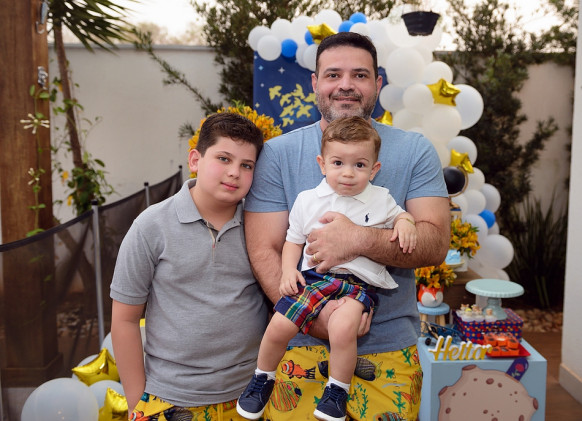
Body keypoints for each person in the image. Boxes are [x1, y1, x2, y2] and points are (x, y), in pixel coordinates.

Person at [244, 32, 450, 421]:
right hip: (298, 346)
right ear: (315, 83)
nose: (346, 85)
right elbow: (264, 248)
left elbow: (435, 242)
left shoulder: (414, 150)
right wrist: (319, 321)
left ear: (378, 83)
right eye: (333, 74)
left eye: (360, 75)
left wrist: (356, 239)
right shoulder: (278, 154)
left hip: (389, 347)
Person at [237, 116, 418, 421]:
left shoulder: (380, 198)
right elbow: (293, 241)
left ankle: (337, 391)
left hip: (356, 285)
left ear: (374, 169)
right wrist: (288, 271)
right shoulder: (308, 200)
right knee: (279, 324)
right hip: (314, 279)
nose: (348, 173)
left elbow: (401, 215)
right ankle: (262, 378)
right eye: (338, 163)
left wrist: (406, 223)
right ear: (322, 164)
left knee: (343, 328)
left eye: (359, 165)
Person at [110, 112, 269, 420]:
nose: (234, 172)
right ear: (195, 159)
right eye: (224, 158)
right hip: (170, 397)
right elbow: (125, 320)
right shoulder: (150, 226)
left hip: (250, 397)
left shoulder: (262, 225)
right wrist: (136, 403)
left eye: (246, 165)